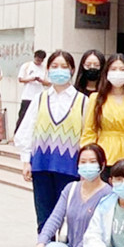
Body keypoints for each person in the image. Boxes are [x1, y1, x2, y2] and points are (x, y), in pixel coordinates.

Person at [28, 144, 112, 247]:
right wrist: (41, 243)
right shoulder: (71, 188)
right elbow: (55, 218)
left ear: (102, 165)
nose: (87, 166)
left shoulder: (107, 194)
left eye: (92, 162)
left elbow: (93, 235)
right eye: (83, 162)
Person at [16, 50, 90, 229]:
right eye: (55, 66)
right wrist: (26, 161)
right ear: (47, 70)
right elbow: (27, 130)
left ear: (72, 70)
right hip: (41, 164)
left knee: (68, 216)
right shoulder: (40, 99)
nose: (59, 70)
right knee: (44, 215)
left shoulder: (83, 101)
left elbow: (88, 136)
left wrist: (85, 167)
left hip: (70, 167)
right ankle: (44, 243)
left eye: (64, 66)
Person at [81, 53, 124, 171]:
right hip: (103, 155)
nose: (118, 72)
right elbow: (89, 131)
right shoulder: (96, 98)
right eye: (113, 69)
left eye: (122, 69)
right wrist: (88, 158)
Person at [16, 49, 47, 126]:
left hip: (40, 95)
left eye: (40, 60)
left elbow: (48, 83)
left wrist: (41, 81)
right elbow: (20, 79)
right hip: (27, 96)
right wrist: (31, 79)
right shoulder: (27, 66)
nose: (38, 61)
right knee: (23, 116)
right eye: (37, 59)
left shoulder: (45, 68)